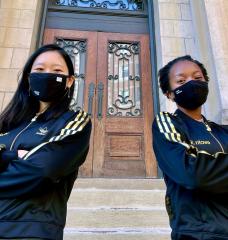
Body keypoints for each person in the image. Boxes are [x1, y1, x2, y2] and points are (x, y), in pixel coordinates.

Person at [0, 44, 91, 239]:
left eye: (57, 70)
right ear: (28, 78)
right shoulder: (7, 121)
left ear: (69, 81)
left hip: (30, 229)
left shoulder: (73, 121)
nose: (47, 75)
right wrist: (14, 155)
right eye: (39, 70)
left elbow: (43, 171)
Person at [152, 55, 228, 240]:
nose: (191, 83)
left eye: (198, 78)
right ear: (169, 93)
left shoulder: (223, 131)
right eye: (181, 80)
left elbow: (203, 171)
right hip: (197, 233)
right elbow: (191, 173)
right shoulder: (167, 123)